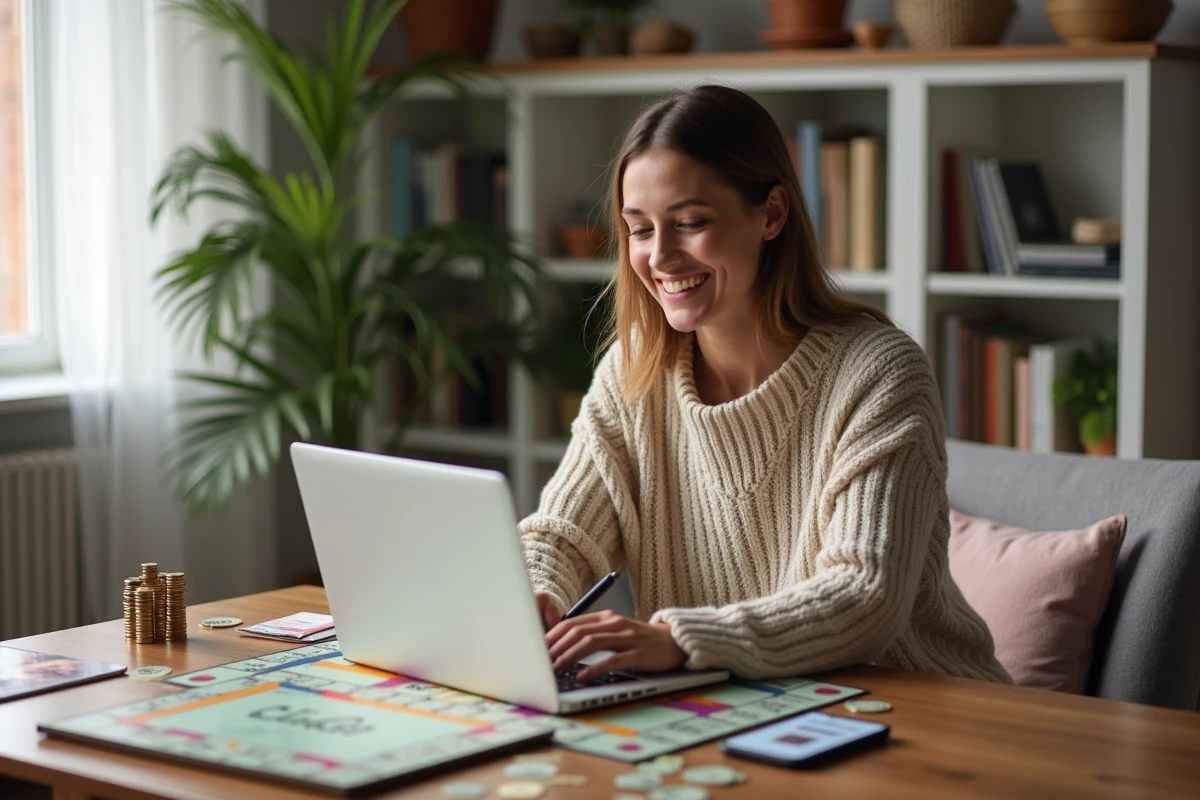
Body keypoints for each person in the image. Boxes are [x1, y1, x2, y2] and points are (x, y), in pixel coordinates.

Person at [519, 84, 1011, 686]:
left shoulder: (879, 372)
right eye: (639, 229)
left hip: (914, 703)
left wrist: (681, 640)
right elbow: (562, 537)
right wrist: (535, 596)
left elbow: (865, 594)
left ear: (772, 214)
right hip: (738, 703)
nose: (660, 256)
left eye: (690, 223)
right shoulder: (632, 374)